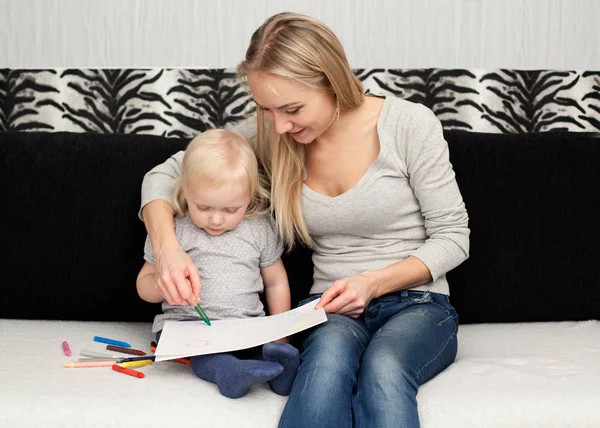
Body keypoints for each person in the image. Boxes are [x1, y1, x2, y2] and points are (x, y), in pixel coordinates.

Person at [140, 12, 469, 428]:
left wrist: (372, 283)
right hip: (329, 308)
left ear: (330, 80)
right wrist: (167, 250)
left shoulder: (409, 125)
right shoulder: (276, 136)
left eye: (291, 108)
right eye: (266, 109)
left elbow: (455, 236)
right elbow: (164, 175)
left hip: (418, 304)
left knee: (384, 368)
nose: (279, 124)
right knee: (325, 370)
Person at [136, 129, 299, 399]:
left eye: (231, 210)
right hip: (187, 328)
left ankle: (282, 371)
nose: (216, 220)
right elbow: (144, 283)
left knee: (264, 349)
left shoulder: (260, 228)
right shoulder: (174, 229)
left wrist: (279, 333)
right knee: (205, 356)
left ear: (249, 196)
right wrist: (161, 286)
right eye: (203, 207)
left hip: (245, 327)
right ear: (185, 191)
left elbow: (276, 281)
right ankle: (229, 373)